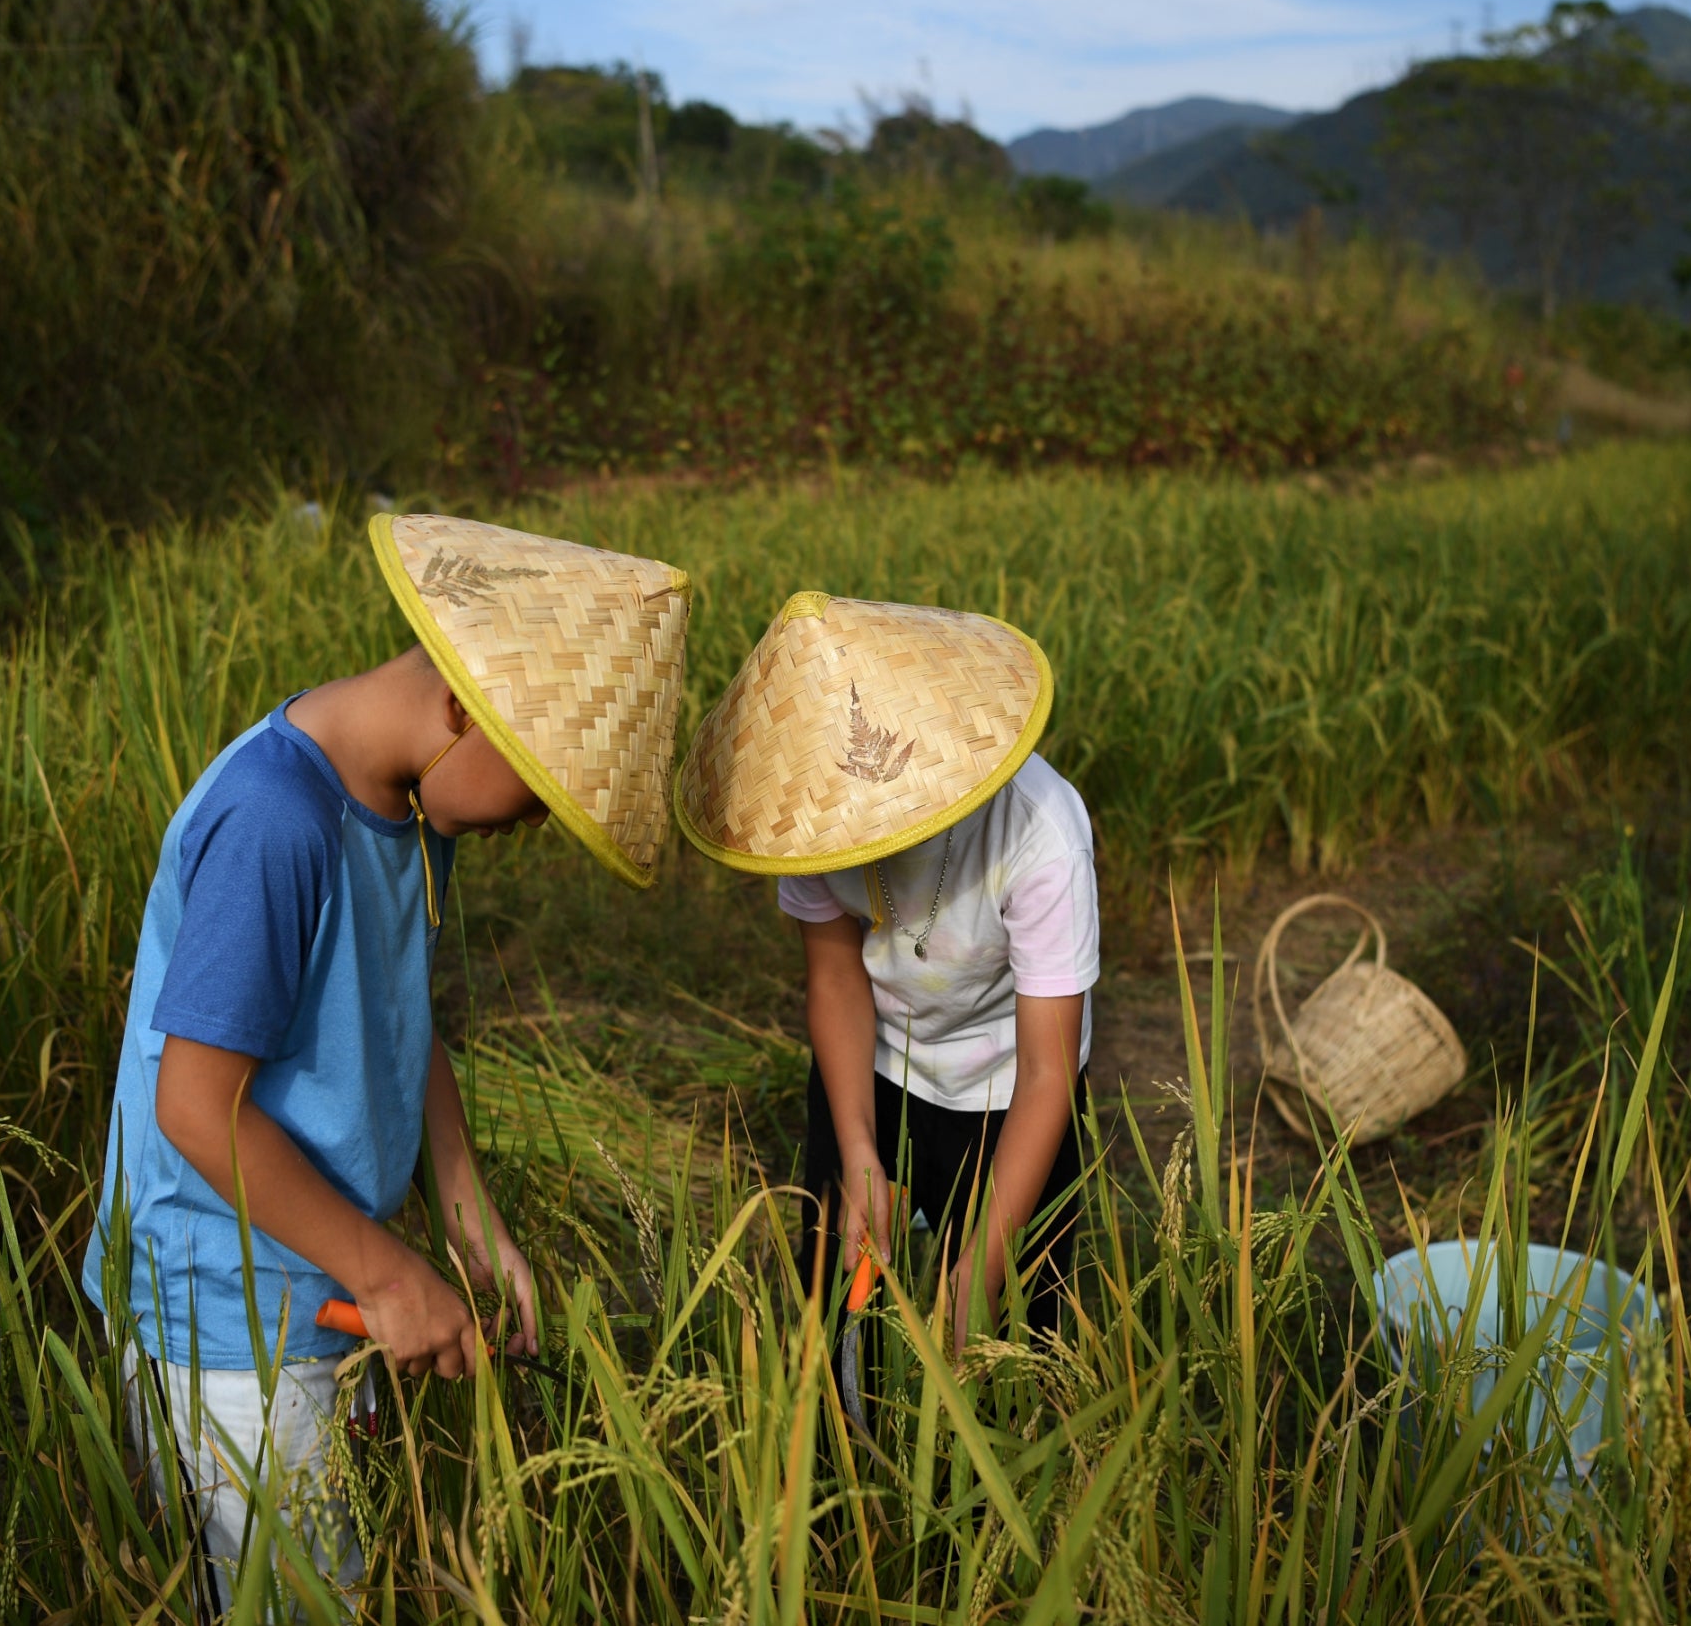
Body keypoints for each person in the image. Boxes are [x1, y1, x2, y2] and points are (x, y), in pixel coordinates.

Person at [81, 511, 691, 1607]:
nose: (532, 828)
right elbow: (194, 1104)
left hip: (322, 1285)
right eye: (538, 794)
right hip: (228, 1320)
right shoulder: (277, 820)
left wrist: (465, 1216)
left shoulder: (414, 816)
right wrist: (386, 1269)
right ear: (466, 704)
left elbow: (399, 1022)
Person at [674, 591, 1096, 1345]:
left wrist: (977, 1274)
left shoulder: (1040, 828)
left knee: (1018, 1317)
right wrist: (860, 1146)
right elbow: (835, 979)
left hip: (1011, 1083)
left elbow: (1047, 1071)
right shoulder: (805, 817)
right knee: (842, 1301)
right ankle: (845, 1450)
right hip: (876, 1065)